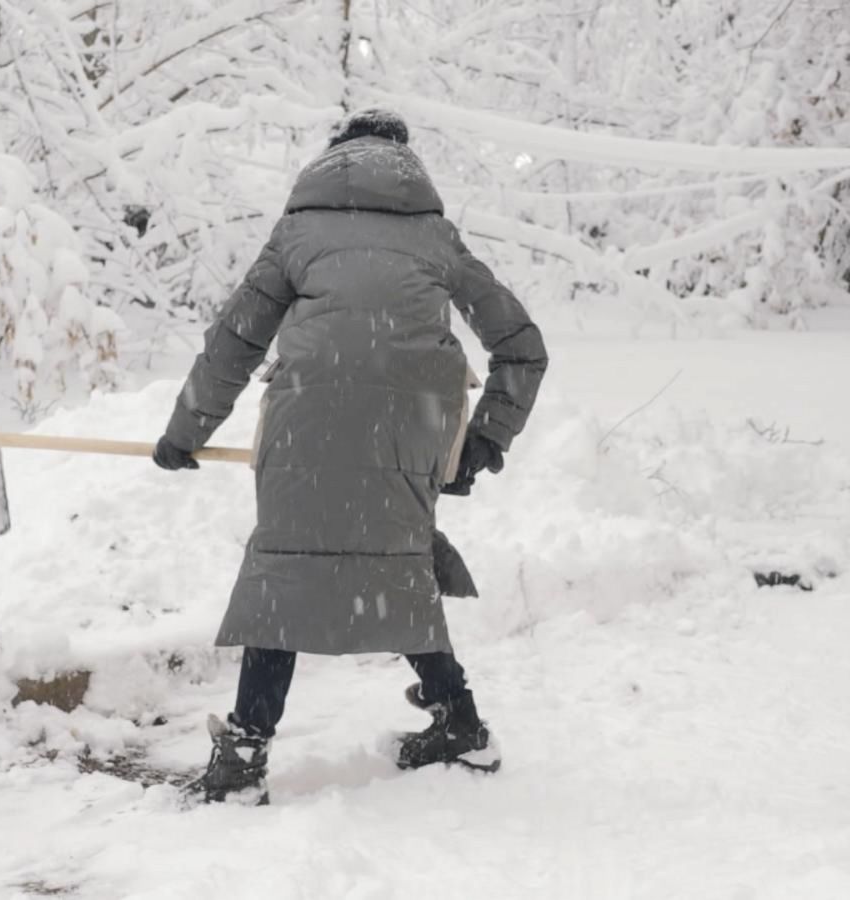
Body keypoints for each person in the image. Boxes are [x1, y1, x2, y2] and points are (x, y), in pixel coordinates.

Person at [152, 108, 548, 805]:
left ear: (331, 160)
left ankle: (246, 756)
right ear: (406, 166)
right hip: (412, 425)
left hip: (307, 418)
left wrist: (186, 432)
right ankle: (459, 722)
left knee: (290, 565)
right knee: (398, 561)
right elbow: (523, 347)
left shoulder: (299, 231)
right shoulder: (435, 237)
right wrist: (483, 441)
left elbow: (235, 342)